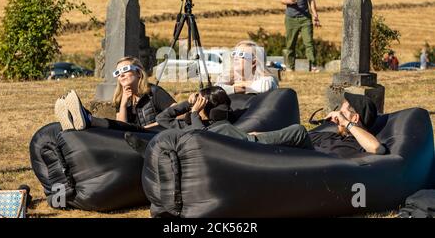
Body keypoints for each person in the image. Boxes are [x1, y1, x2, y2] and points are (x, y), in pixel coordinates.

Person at [126, 87, 386, 159]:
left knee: (296, 130)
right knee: (223, 131)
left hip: (316, 160)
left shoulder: (356, 139)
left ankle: (155, 146)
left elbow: (378, 150)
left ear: (354, 117)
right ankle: (155, 146)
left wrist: (348, 125)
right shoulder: (331, 130)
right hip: (289, 152)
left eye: (343, 109)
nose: (336, 110)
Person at [54, 56, 176, 132]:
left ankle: (88, 118)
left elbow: (180, 113)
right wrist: (123, 104)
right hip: (134, 137)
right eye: (118, 73)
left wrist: (155, 125)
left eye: (125, 70)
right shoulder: (121, 98)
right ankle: (75, 122)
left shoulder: (154, 92)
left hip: (155, 137)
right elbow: (121, 126)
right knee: (110, 130)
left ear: (138, 73)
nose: (121, 75)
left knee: (112, 126)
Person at [280, 0, 320, 72]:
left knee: (309, 43)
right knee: (290, 44)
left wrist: (315, 15)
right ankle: (290, 67)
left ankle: (313, 66)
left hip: (305, 18)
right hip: (291, 18)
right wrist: (289, 1)